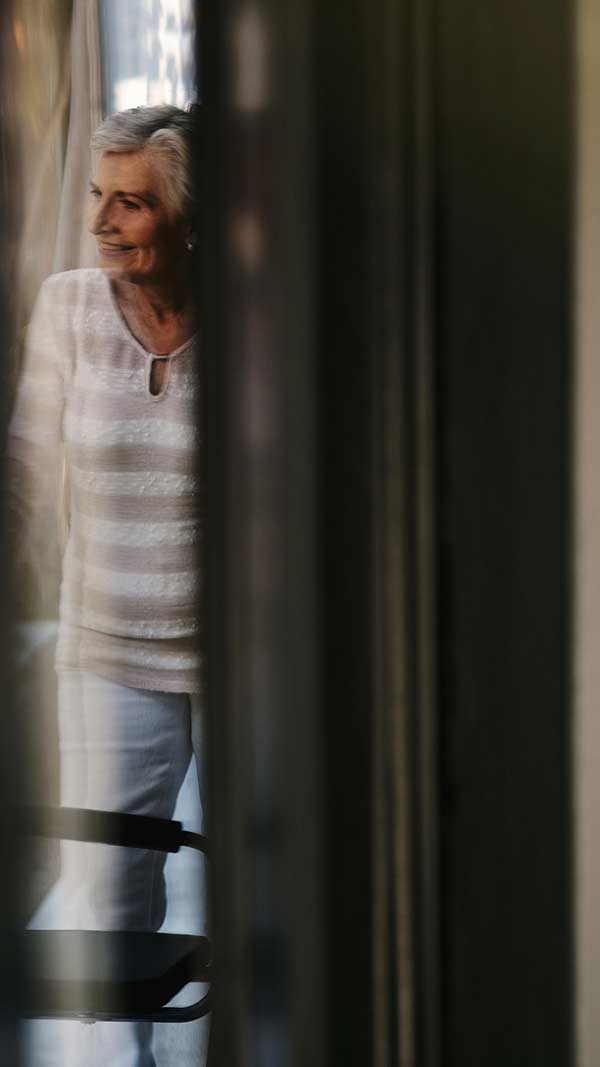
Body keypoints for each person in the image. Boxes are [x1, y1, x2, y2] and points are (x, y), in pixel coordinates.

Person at [9, 103, 203, 1067]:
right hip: (108, 651)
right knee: (110, 900)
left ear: (189, 220)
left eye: (131, 203)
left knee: (278, 888)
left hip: (249, 658)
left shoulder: (260, 318)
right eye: (98, 196)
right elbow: (25, 474)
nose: (101, 222)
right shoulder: (70, 307)